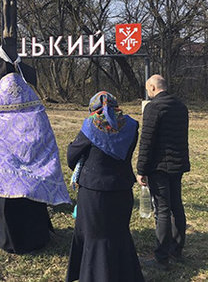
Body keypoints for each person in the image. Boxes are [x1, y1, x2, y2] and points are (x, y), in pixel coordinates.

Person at [0, 61, 69, 254]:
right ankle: (38, 237)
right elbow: (44, 134)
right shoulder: (34, 104)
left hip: (4, 174)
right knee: (31, 200)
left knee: (8, 202)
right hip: (33, 171)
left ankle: (11, 242)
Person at [66, 91, 145, 282]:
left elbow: (71, 156)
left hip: (94, 192)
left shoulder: (90, 126)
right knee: (118, 234)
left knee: (94, 237)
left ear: (93, 110)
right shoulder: (132, 126)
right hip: (121, 188)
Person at [136, 75, 190, 270]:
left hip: (159, 166)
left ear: (152, 87)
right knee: (177, 206)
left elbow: (147, 141)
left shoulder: (154, 107)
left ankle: (161, 257)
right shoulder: (181, 107)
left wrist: (141, 169)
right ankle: (176, 250)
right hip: (178, 164)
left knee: (163, 209)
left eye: (147, 89)